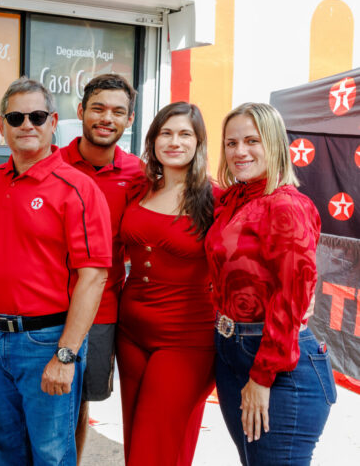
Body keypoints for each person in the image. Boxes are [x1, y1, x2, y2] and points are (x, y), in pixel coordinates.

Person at [0, 77, 112, 465]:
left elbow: (94, 276)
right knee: (3, 448)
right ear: (1, 126)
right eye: (15, 117)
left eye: (36, 116)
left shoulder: (77, 187)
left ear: (53, 121)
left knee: (51, 454)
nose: (26, 125)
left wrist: (65, 355)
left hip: (45, 341)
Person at [207, 103, 337, 465]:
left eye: (252, 140)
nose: (239, 151)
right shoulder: (235, 200)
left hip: (278, 364)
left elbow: (292, 295)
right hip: (232, 351)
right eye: (231, 143)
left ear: (275, 143)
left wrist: (263, 376)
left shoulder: (286, 206)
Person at [116, 102, 216, 465]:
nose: (174, 142)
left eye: (185, 134)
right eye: (166, 133)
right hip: (130, 334)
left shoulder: (216, 199)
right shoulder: (139, 190)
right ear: (153, 140)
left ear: (199, 142)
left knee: (152, 448)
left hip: (186, 339)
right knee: (139, 441)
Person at [57, 74, 143, 459]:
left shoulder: (140, 175)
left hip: (101, 311)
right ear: (81, 111)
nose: (107, 118)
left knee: (78, 407)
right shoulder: (52, 164)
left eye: (118, 111)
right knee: (47, 404)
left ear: (129, 119)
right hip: (45, 306)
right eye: (98, 108)